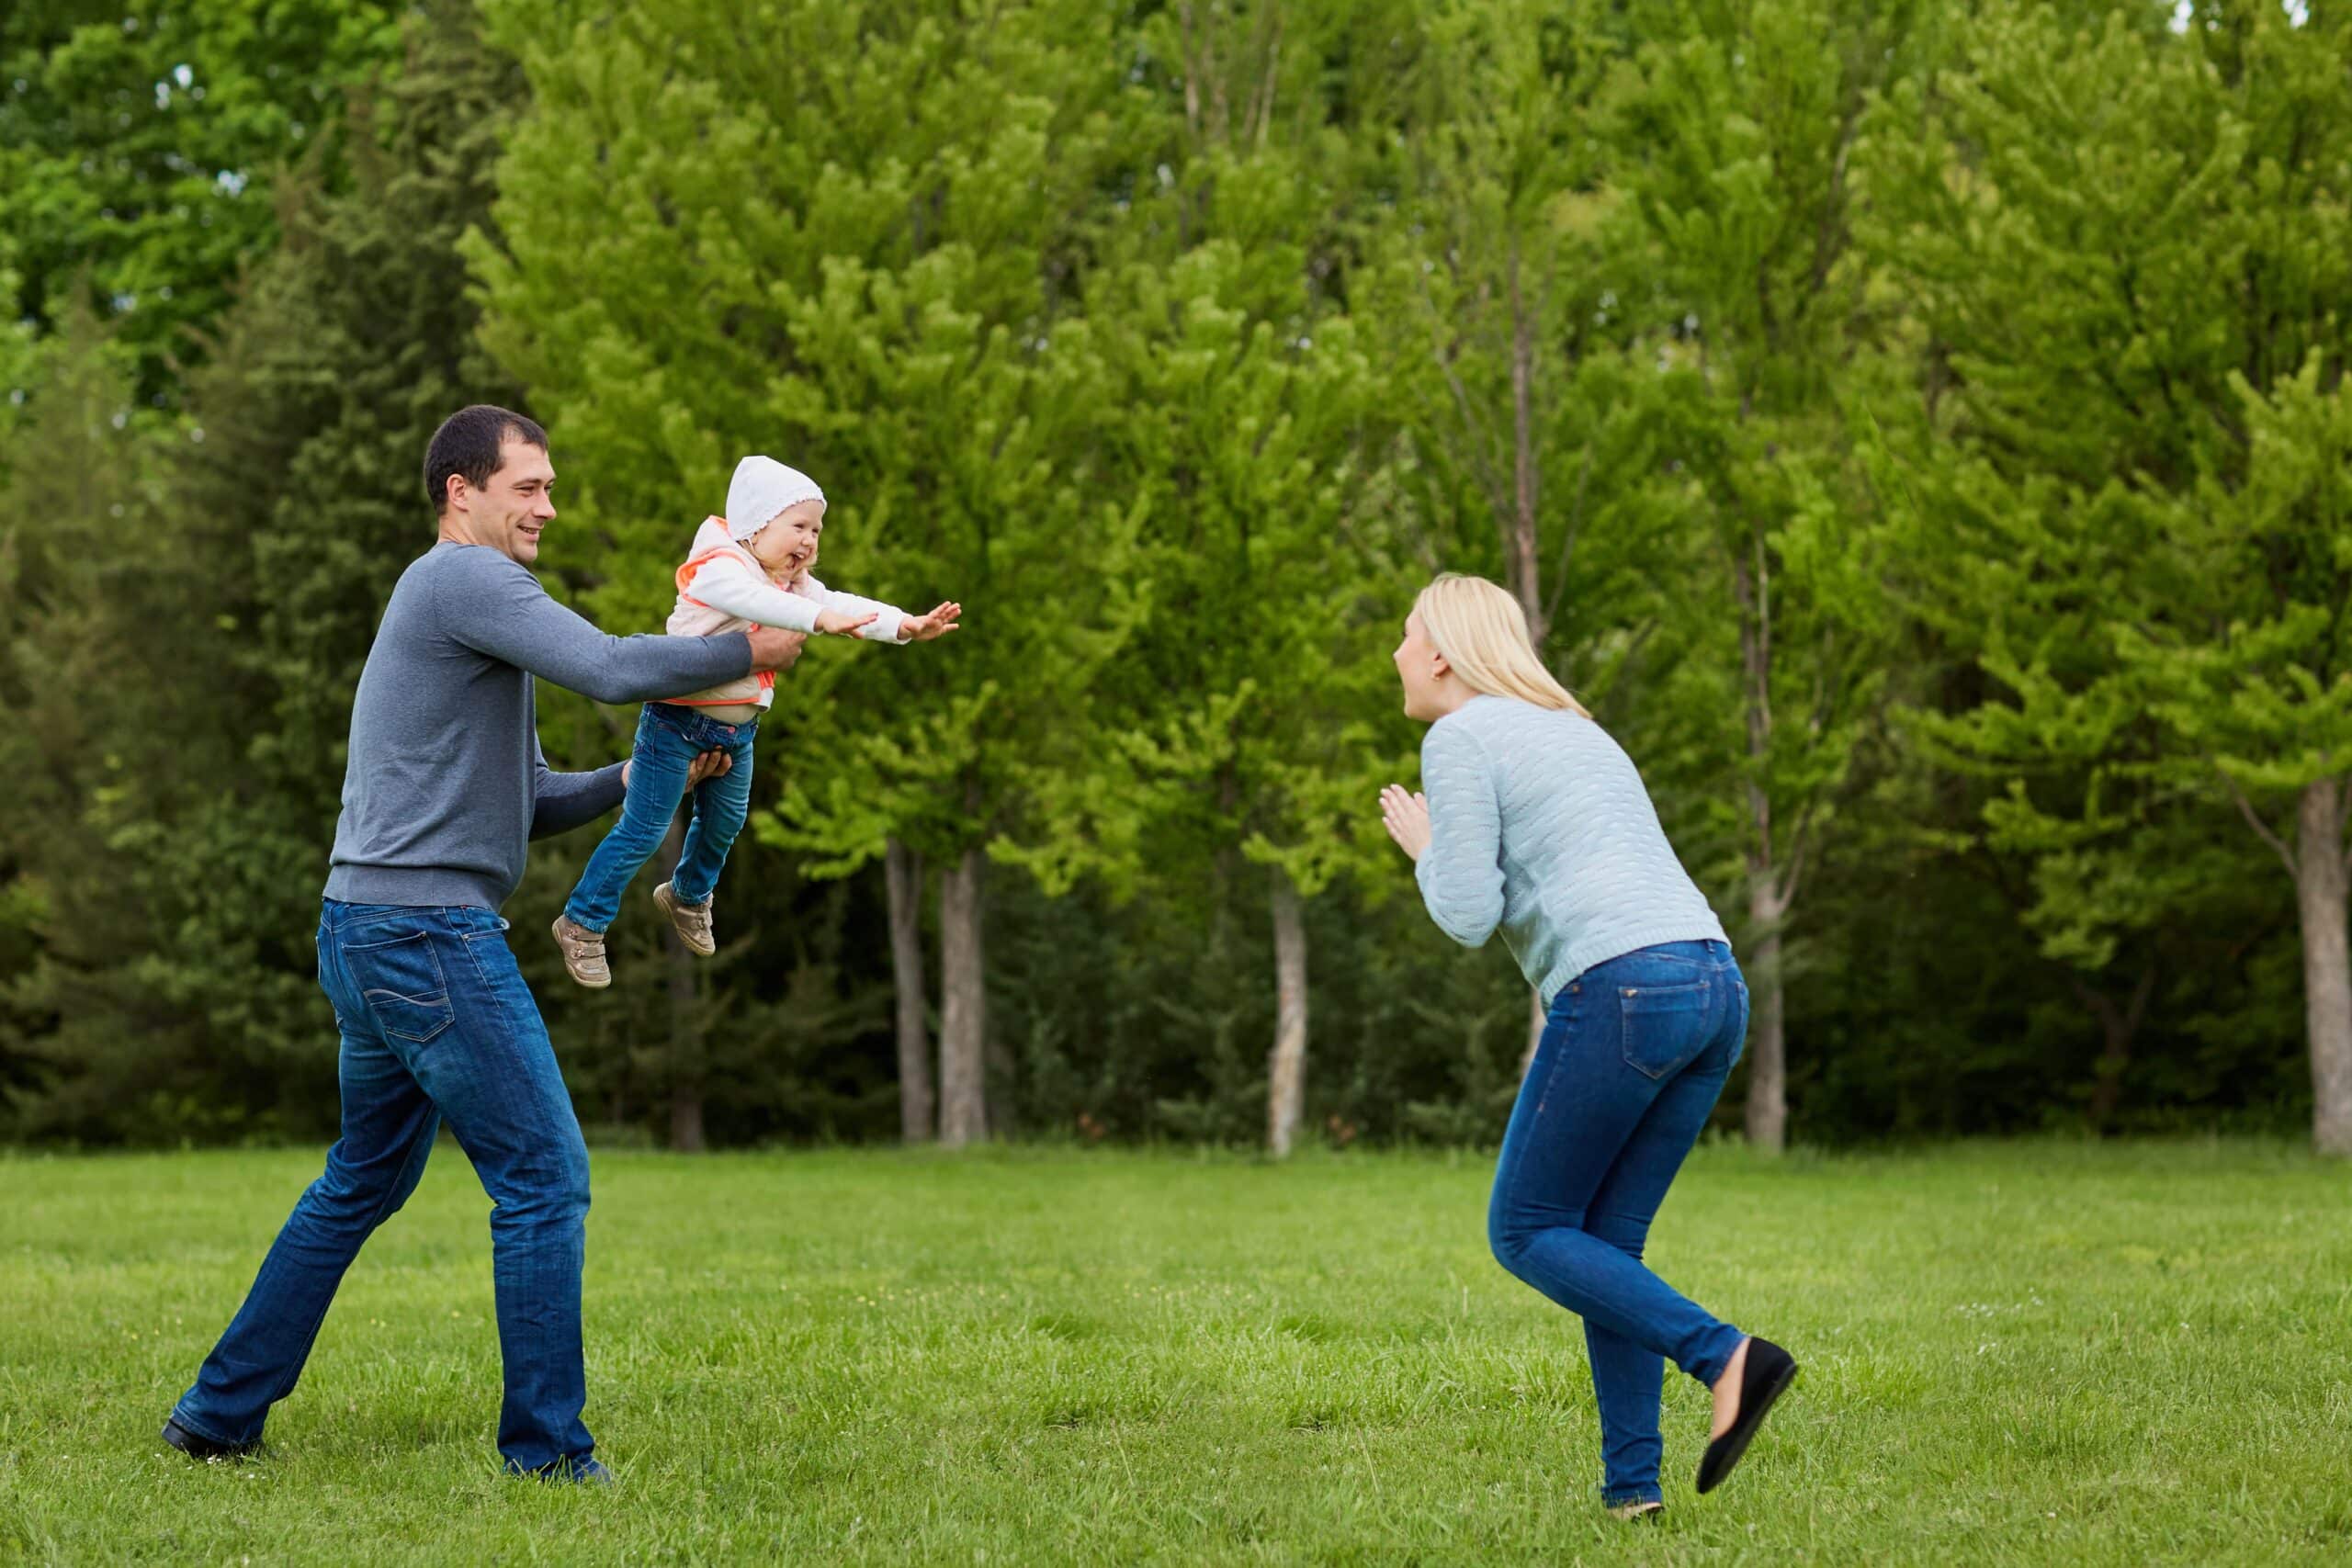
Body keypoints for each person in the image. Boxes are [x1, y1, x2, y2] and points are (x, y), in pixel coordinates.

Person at [160, 405, 807, 1482]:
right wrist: (749, 645)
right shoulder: (466, 581)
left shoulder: (467, 612)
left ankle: (216, 1417)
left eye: (550, 488)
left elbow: (530, 802)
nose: (548, 507)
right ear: (462, 491)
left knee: (360, 1181)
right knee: (545, 1178)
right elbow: (606, 667)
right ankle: (549, 1457)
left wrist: (645, 781)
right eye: (529, 487)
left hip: (369, 928)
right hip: (424, 935)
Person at [1377, 572, 1798, 1520]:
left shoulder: (1459, 736)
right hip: (1712, 983)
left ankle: (1725, 1356)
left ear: (1440, 651)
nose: (1397, 653)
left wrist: (1424, 849)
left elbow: (1467, 915)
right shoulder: (1573, 726)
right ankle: (1632, 1493)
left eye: (1405, 635)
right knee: (1606, 1245)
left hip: (1624, 989)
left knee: (1524, 1230)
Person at [548, 455, 959, 986]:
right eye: (799, 527)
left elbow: (841, 602)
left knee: (725, 823)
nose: (809, 541)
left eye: (816, 530)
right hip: (674, 725)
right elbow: (751, 601)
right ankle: (582, 922)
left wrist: (905, 625)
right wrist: (819, 618)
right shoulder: (720, 566)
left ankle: (687, 896)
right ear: (756, 526)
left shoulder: (789, 581)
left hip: (737, 733)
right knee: (644, 831)